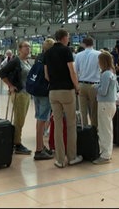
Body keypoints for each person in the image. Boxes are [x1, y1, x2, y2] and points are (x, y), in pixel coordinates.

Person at [43, 29, 83, 168]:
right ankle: (71, 157)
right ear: (64, 38)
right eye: (68, 37)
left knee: (57, 126)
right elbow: (72, 70)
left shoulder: (47, 53)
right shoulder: (66, 51)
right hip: (67, 91)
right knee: (71, 124)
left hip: (53, 92)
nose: (69, 39)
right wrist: (77, 87)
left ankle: (59, 160)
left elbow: (46, 75)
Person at [0, 41, 33, 155]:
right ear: (20, 49)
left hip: (26, 93)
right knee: (19, 120)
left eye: (29, 46)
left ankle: (16, 141)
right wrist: (11, 86)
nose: (28, 48)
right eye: (25, 46)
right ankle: (17, 144)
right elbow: (2, 72)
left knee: (21, 119)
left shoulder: (26, 61)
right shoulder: (16, 61)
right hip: (19, 94)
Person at [32, 38, 55, 161]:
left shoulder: (39, 57)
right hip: (44, 92)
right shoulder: (49, 58)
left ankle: (40, 145)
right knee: (42, 119)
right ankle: (39, 149)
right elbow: (48, 76)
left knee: (39, 119)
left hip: (36, 91)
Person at [92, 51, 117, 165]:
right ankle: (106, 152)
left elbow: (103, 91)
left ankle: (105, 155)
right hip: (110, 104)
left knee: (104, 130)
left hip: (104, 104)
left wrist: (96, 86)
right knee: (107, 129)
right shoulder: (112, 73)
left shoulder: (106, 74)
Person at [74, 37, 101, 128]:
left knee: (83, 111)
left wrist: (76, 85)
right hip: (94, 85)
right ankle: (94, 130)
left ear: (83, 44)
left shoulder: (78, 55)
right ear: (93, 44)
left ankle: (84, 129)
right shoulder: (98, 54)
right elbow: (101, 69)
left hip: (81, 84)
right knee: (94, 110)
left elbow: (75, 71)